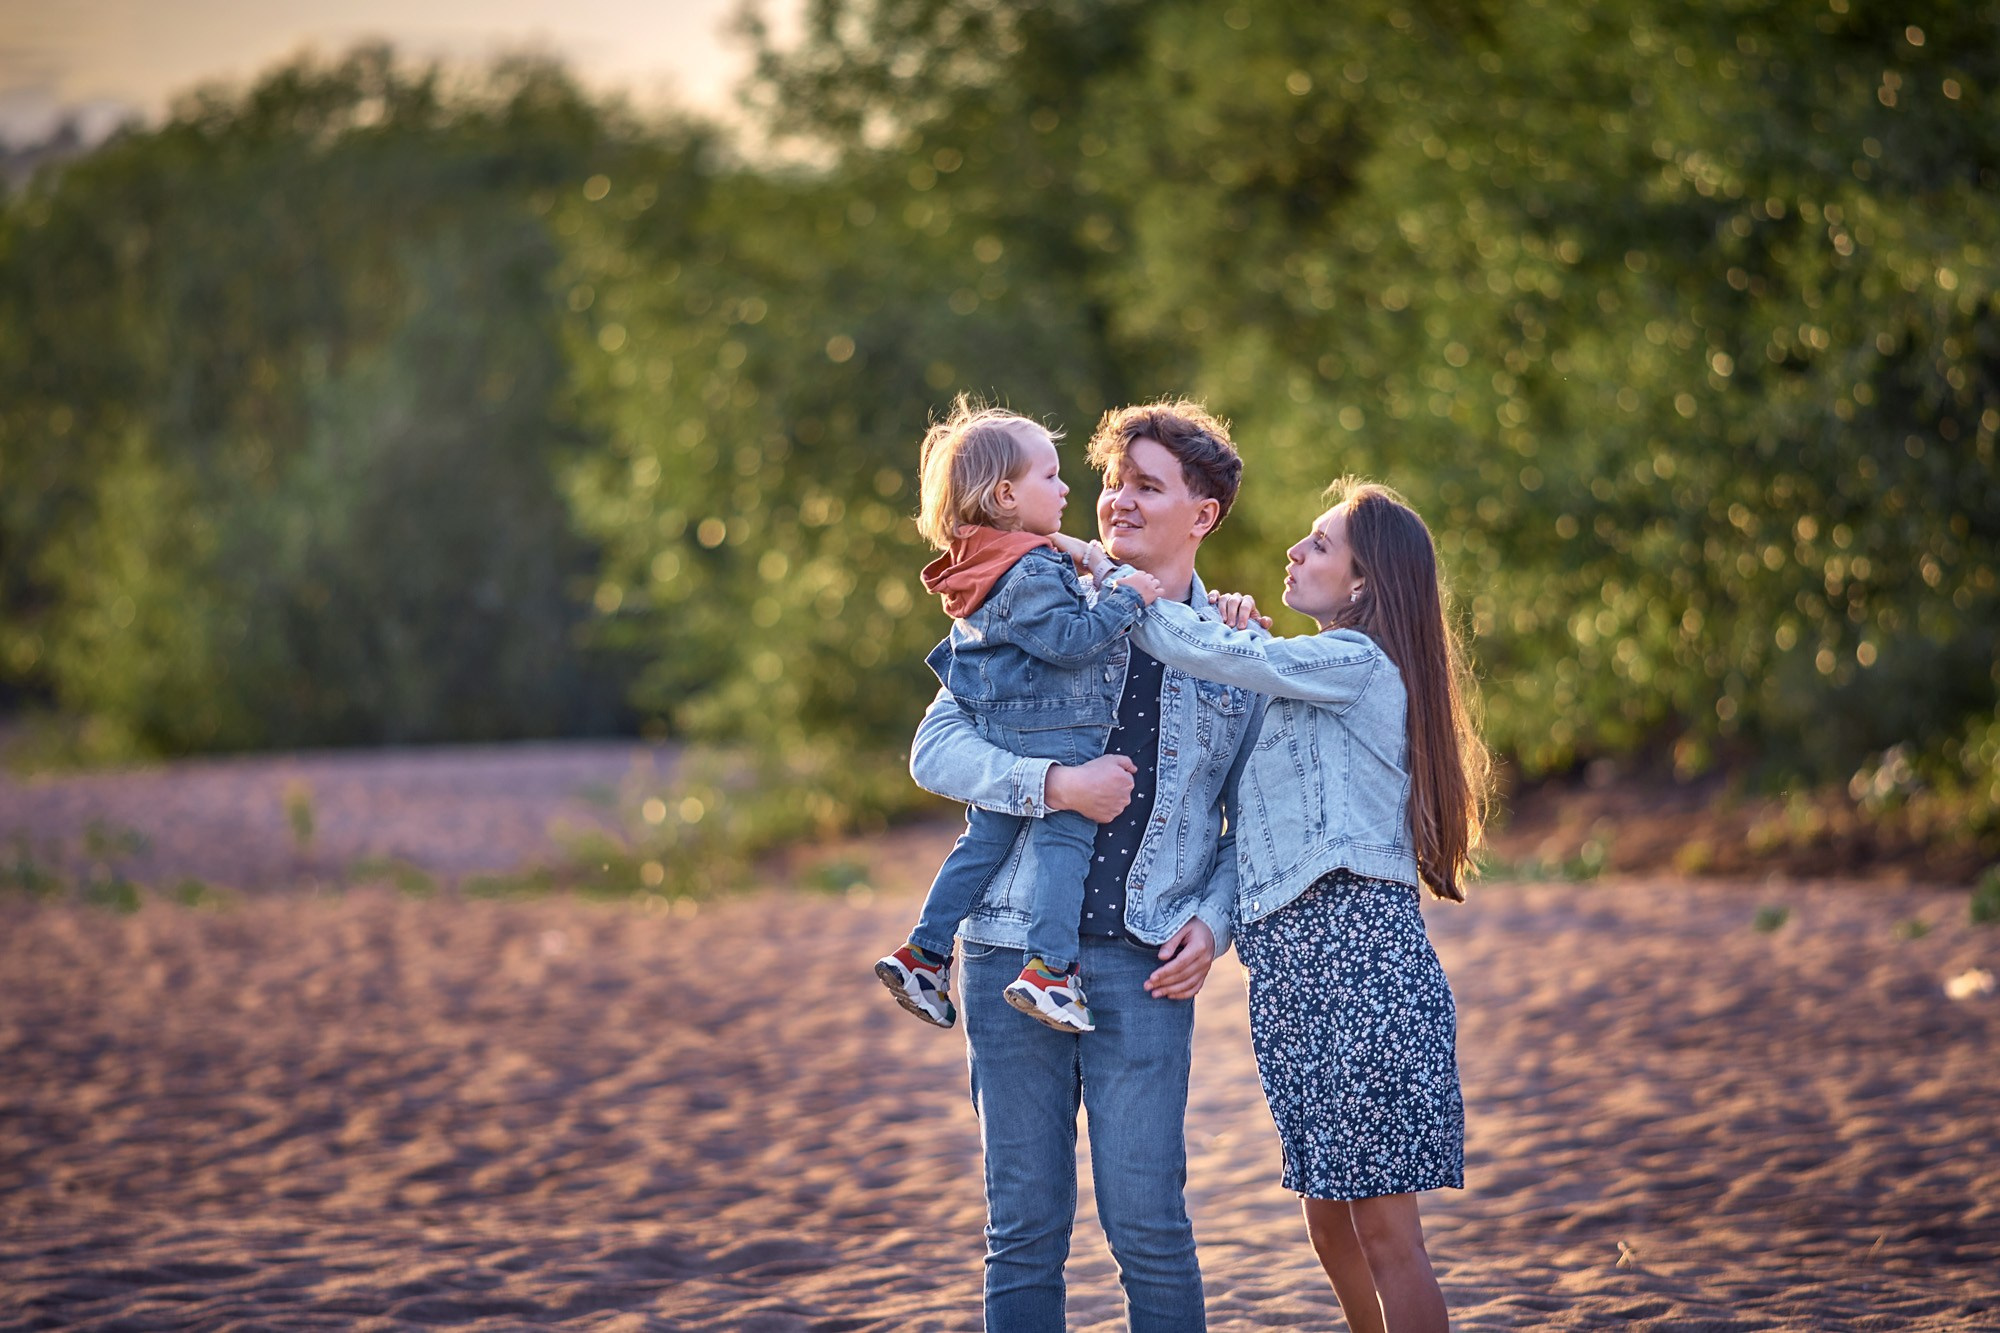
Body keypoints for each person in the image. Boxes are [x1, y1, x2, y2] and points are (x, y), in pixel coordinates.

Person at [909, 401, 1263, 1332]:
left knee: (1149, 1225)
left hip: (1146, 967)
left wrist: (1215, 922)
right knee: (1022, 1231)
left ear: (1204, 514)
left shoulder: (1238, 651)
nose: (1115, 503)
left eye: (1147, 487)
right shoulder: (1029, 597)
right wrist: (1055, 783)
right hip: (1005, 953)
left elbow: (1255, 827)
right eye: (1110, 484)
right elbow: (934, 752)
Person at [1126, 478, 1489, 1333]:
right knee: (1327, 1219)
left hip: (1362, 963)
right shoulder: (1311, 672)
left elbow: (1230, 658)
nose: (1294, 551)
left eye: (1318, 544)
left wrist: (1123, 587)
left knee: (1387, 1229)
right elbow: (1251, 687)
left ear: (1363, 584)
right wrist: (1239, 641)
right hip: (1291, 979)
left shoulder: (1358, 662)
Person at [875, 398, 1163, 1034]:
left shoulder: (989, 561)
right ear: (1006, 494)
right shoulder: (1028, 566)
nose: (1066, 489)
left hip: (1006, 728)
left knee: (982, 842)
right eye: (1052, 476)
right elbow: (1069, 640)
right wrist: (1124, 594)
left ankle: (924, 952)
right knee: (1067, 838)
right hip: (1055, 732)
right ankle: (1051, 969)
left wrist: (1080, 560)